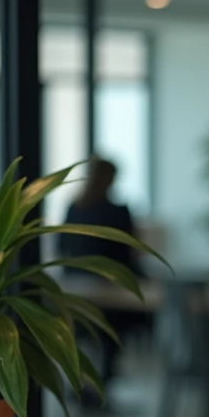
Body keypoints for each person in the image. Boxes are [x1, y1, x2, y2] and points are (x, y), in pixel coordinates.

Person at [59, 158, 149, 384]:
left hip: (75, 291)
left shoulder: (74, 209)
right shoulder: (117, 211)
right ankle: (105, 375)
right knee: (127, 317)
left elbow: (63, 247)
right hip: (110, 293)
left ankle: (92, 380)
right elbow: (128, 254)